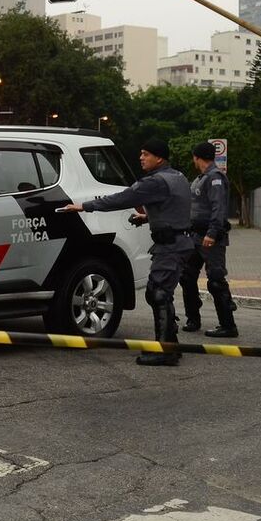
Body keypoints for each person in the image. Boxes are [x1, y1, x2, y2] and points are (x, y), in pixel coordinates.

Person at [60, 138, 193, 366]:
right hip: (178, 242)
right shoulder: (177, 176)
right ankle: (171, 345)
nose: (141, 158)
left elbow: (123, 198)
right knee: (160, 293)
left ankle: (165, 352)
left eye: (145, 154)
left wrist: (85, 206)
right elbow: (173, 205)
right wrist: (147, 217)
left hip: (171, 246)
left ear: (159, 158)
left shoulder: (155, 181)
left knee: (158, 293)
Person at [180, 142, 238, 338]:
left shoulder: (215, 178)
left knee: (215, 280)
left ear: (197, 157)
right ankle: (193, 319)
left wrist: (212, 233)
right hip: (195, 236)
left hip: (210, 238)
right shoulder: (201, 178)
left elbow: (218, 208)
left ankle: (228, 326)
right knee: (187, 276)